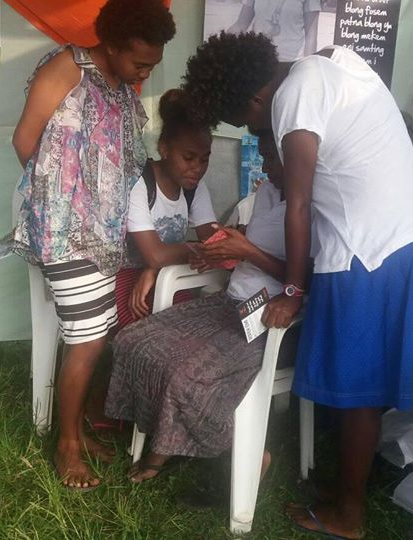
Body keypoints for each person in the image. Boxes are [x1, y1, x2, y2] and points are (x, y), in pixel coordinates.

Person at [182, 33, 413, 539]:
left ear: (256, 100)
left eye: (246, 122)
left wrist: (292, 291)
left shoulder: (295, 93)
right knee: (351, 381)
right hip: (398, 239)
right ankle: (343, 490)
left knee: (359, 388)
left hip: (373, 249)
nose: (257, 133)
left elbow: (298, 205)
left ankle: (349, 515)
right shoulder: (326, 66)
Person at [0, 0, 175, 491]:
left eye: (152, 65)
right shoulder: (66, 67)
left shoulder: (120, 88)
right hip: (65, 231)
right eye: (140, 61)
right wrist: (61, 204)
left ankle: (78, 429)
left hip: (105, 232)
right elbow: (24, 140)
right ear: (111, 44)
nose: (146, 71)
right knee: (88, 339)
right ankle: (67, 446)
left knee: (100, 332)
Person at [105, 132, 296, 483]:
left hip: (270, 316)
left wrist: (247, 252)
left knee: (187, 372)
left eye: (274, 159)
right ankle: (163, 437)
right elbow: (211, 245)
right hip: (229, 302)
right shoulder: (267, 193)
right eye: (265, 157)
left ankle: (241, 452)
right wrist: (153, 265)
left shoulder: (314, 205)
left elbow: (309, 280)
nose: (266, 168)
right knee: (134, 340)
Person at [114, 88, 219, 329]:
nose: (197, 168)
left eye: (204, 159)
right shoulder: (139, 182)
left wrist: (154, 268)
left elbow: (216, 242)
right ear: (164, 149)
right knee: (151, 330)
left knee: (187, 326)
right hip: (122, 274)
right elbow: (155, 254)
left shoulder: (195, 188)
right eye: (189, 157)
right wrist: (197, 250)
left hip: (166, 274)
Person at [226, 0, 320, 62]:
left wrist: (309, 68)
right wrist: (218, 47)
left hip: (289, 64)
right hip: (257, 61)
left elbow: (311, 37)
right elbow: (241, 25)